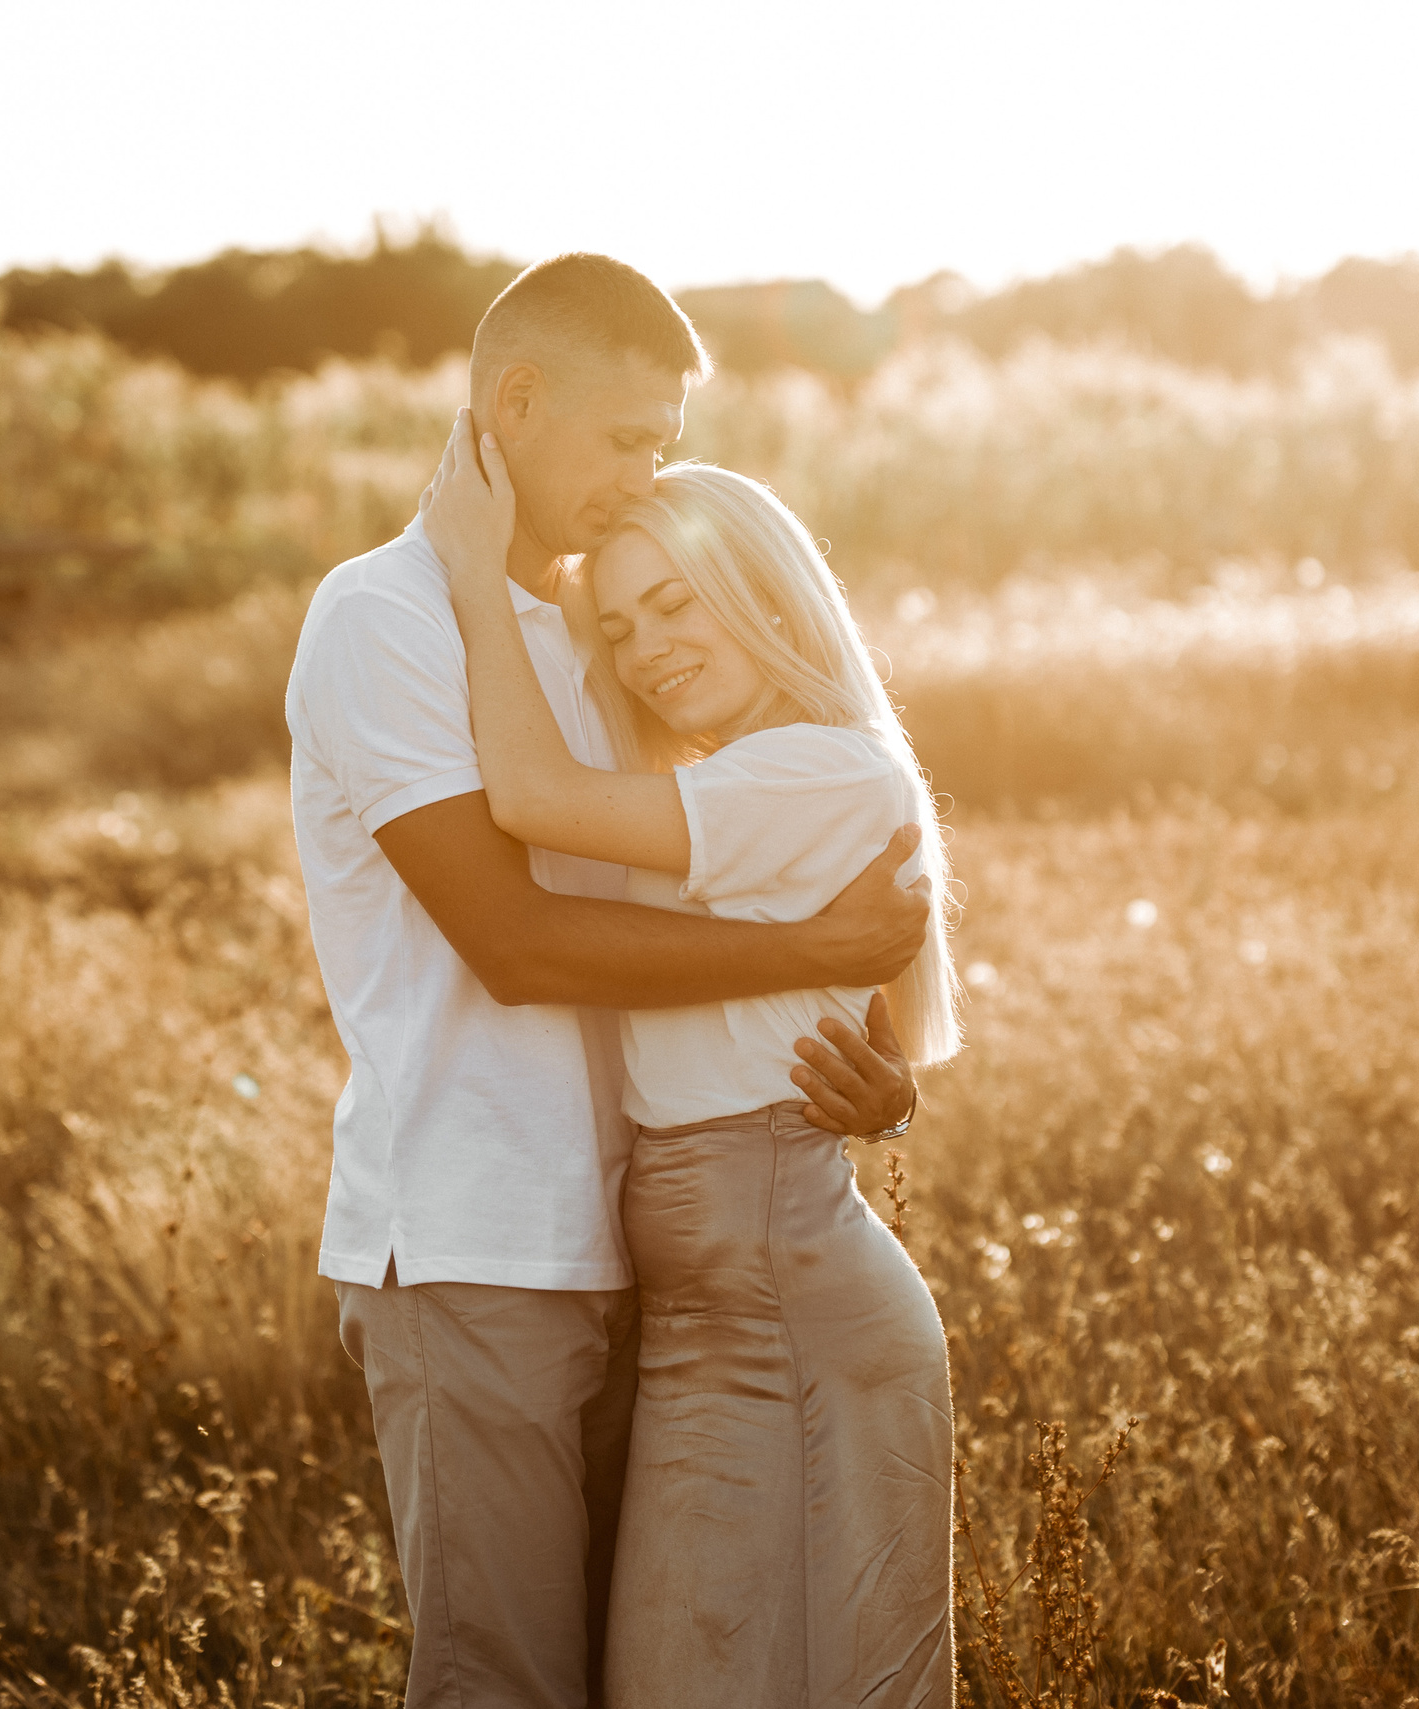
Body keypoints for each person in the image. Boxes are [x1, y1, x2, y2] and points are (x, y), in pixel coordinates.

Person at [282, 253, 928, 1709]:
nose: (654, 470)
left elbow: (741, 843)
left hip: (657, 1245)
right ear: (516, 402)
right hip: (474, 1237)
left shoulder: (596, 627)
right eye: (632, 435)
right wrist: (813, 954)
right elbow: (515, 945)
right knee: (504, 1681)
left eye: (670, 442)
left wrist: (862, 1049)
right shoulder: (382, 619)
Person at [421, 420, 963, 1707]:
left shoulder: (818, 770)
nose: (647, 649)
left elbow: (535, 796)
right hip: (713, 1305)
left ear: (764, 593)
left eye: (674, 603)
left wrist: (468, 574)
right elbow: (825, 1020)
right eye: (616, 628)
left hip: (789, 1300)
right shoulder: (746, 786)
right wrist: (876, 1076)